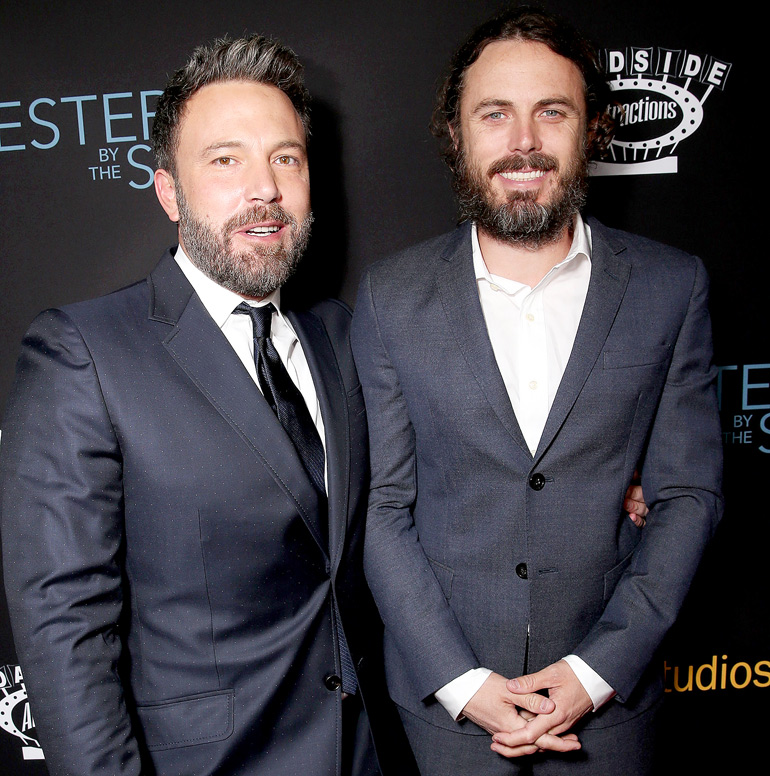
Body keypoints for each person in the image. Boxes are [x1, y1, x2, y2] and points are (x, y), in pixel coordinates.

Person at [0, 35, 416, 776]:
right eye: (226, 160)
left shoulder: (341, 332)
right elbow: (65, 629)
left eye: (286, 158)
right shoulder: (83, 352)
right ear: (169, 192)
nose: (265, 189)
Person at [350, 7, 722, 775]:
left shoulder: (670, 286)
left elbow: (688, 496)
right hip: (448, 716)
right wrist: (461, 683)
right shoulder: (389, 298)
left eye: (552, 112)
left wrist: (595, 673)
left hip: (613, 712)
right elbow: (383, 509)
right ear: (456, 135)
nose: (523, 141)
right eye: (494, 114)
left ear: (593, 129)